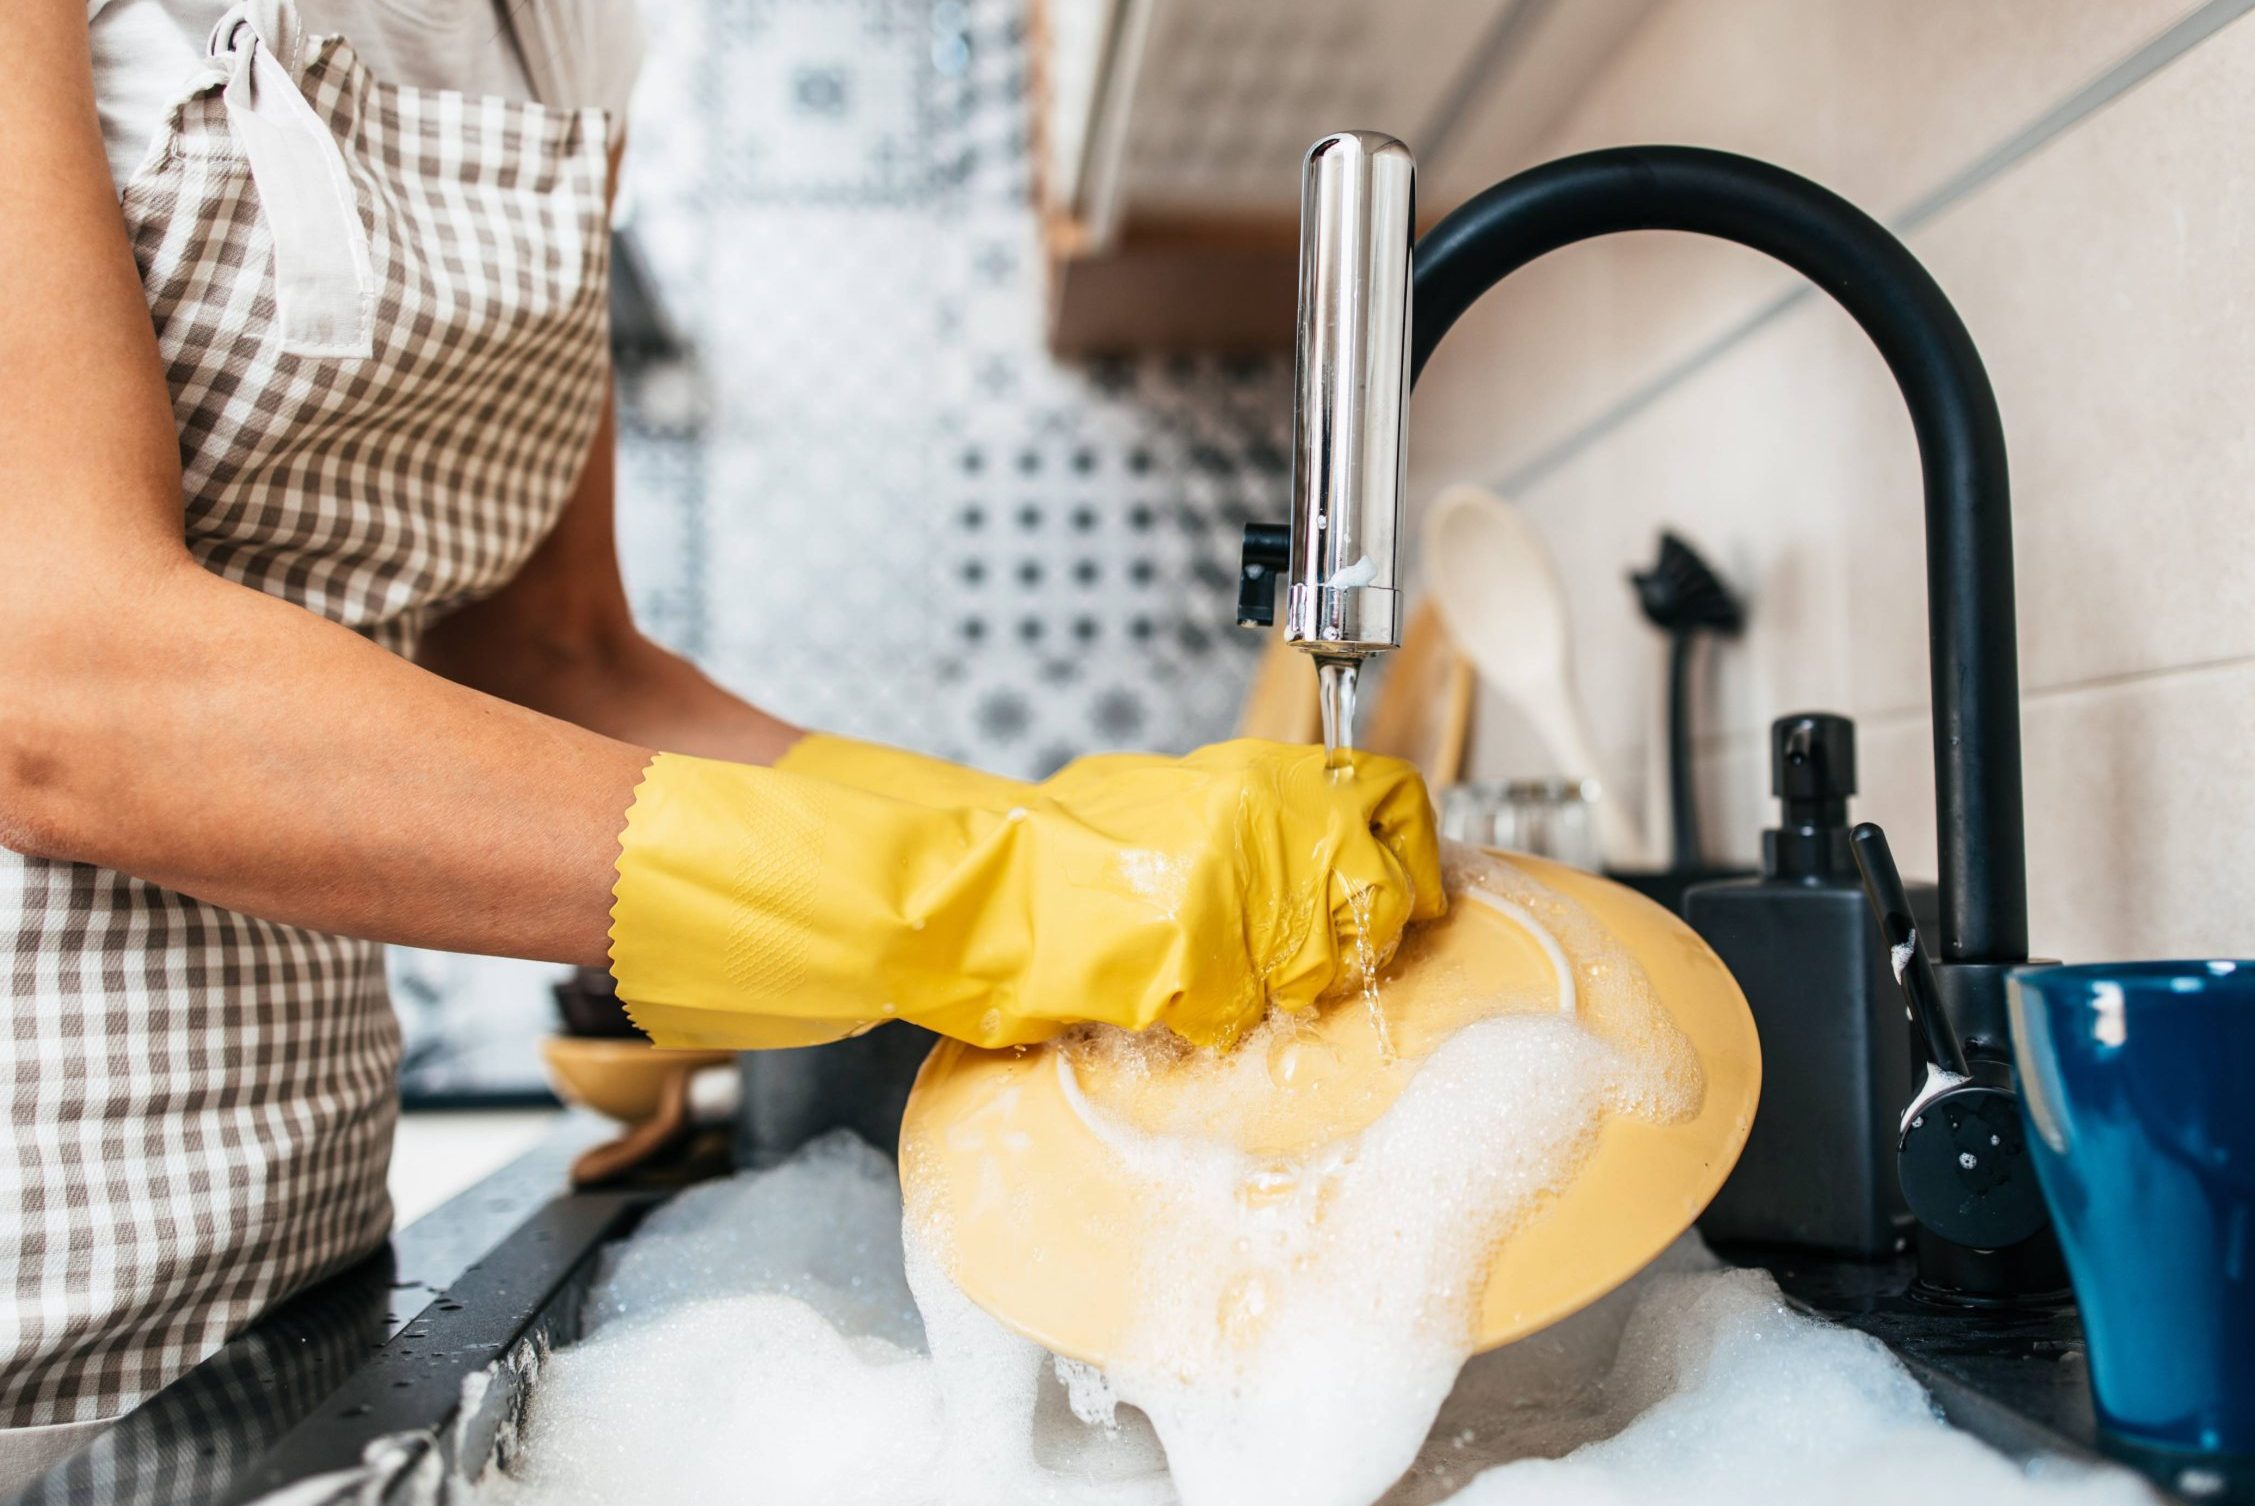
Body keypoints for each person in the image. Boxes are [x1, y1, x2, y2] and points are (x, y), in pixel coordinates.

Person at [0, 0, 1441, 1485]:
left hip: (291, 1290)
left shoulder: (558, 38)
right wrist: (978, 895)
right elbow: (64, 680)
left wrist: (1082, 849)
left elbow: (559, 658)